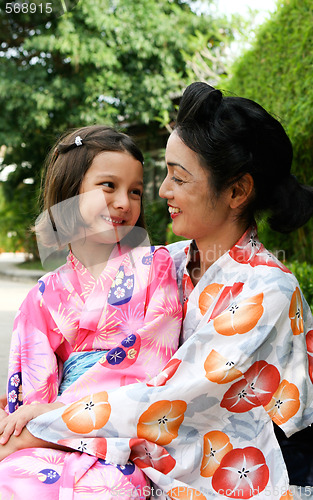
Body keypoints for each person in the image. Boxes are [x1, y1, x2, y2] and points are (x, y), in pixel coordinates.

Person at [1, 82, 313, 500]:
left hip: (231, 481)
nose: (162, 191)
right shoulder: (170, 261)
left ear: (237, 191)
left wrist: (42, 426)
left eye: (178, 177)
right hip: (130, 457)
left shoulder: (268, 290)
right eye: (165, 172)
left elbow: (171, 399)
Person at [0, 125, 182, 497]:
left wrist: (60, 412)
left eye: (134, 191)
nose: (124, 202)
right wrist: (40, 420)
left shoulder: (155, 266)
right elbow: (33, 391)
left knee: (103, 489)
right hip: (52, 437)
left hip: (120, 434)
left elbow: (149, 359)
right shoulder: (43, 294)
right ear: (70, 191)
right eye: (108, 186)